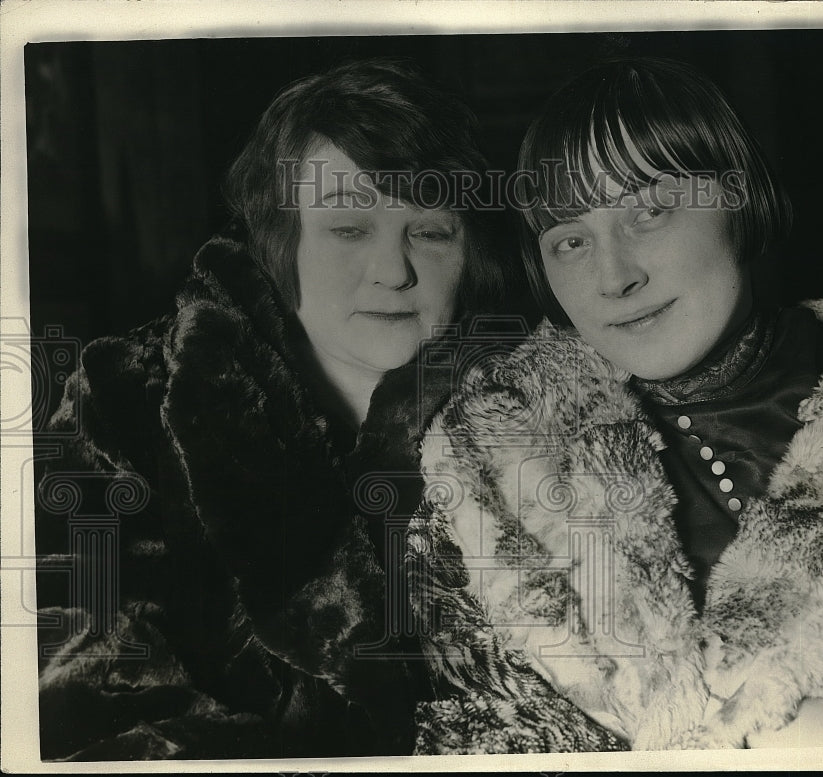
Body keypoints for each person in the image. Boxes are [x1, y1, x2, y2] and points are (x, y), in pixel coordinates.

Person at [407, 58, 823, 752]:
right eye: (570, 241)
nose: (614, 276)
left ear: (738, 201)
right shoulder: (493, 467)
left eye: (649, 212)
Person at [33, 58, 509, 759]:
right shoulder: (124, 397)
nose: (393, 268)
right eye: (348, 229)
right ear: (278, 241)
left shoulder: (524, 415)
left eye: (430, 231)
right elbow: (84, 696)